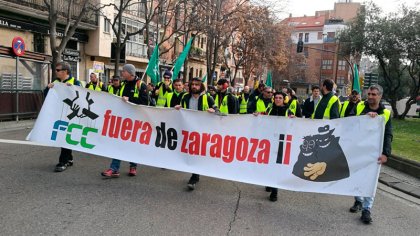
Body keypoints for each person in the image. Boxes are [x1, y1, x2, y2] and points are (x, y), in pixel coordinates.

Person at [349, 84, 392, 224]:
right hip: (358, 150)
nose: (371, 97)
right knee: (356, 178)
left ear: (380, 96)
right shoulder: (360, 107)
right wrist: (364, 117)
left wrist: (386, 153)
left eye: (374, 94)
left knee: (371, 181)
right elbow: (349, 123)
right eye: (369, 94)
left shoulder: (385, 114)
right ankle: (358, 201)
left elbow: (388, 135)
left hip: (375, 154)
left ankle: (367, 209)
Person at [101, 64, 149, 178]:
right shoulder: (123, 84)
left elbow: (145, 102)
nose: (122, 73)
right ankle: (114, 169)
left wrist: (130, 99)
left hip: (135, 121)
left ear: (130, 73)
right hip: (122, 120)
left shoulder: (141, 85)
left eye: (124, 71)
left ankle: (133, 166)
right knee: (118, 143)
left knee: (131, 144)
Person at [175, 77, 216, 190]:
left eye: (197, 84)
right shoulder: (184, 97)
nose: (194, 86)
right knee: (192, 153)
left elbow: (219, 112)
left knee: (197, 153)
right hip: (189, 130)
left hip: (202, 131)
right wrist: (178, 108)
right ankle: (195, 174)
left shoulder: (208, 98)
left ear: (201, 86)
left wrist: (214, 111)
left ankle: (194, 177)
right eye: (192, 84)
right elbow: (179, 108)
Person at [44, 61, 81, 172]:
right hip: (58, 113)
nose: (56, 72)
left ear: (65, 71)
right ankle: (69, 158)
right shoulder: (55, 82)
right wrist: (47, 88)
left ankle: (62, 162)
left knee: (65, 136)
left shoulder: (75, 82)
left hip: (70, 115)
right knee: (63, 136)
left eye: (58, 70)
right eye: (56, 70)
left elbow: (81, 97)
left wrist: (73, 88)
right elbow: (46, 96)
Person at [264, 91, 295, 201]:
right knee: (268, 164)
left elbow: (295, 124)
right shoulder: (269, 109)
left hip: (281, 142)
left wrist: (294, 120)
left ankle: (274, 191)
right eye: (276, 98)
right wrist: (257, 115)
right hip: (269, 141)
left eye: (280, 98)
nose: (277, 99)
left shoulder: (288, 111)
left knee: (276, 166)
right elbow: (262, 118)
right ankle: (269, 183)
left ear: (284, 100)